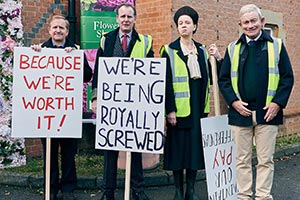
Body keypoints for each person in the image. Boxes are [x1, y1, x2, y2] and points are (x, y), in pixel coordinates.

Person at [218, 4, 294, 200]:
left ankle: (262, 196)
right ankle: (243, 196)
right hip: (240, 113)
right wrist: (233, 102)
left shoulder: (276, 45)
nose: (250, 25)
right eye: (246, 22)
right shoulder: (232, 48)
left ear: (261, 22)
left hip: (267, 112)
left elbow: (287, 77)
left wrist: (277, 103)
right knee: (241, 160)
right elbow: (224, 79)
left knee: (265, 160)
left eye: (254, 21)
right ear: (240, 24)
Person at [91, 3, 153, 200]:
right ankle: (107, 192)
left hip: (136, 104)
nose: (126, 20)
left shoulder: (145, 41)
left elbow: (152, 73)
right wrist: (95, 97)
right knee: (110, 150)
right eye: (122, 16)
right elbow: (98, 72)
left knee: (135, 148)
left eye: (129, 16)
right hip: (111, 103)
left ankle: (137, 191)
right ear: (117, 19)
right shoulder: (106, 40)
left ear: (135, 19)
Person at [160, 6, 222, 200]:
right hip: (178, 111)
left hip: (197, 110)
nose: (184, 26)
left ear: (195, 26)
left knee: (195, 151)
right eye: (180, 23)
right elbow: (165, 84)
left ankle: (191, 190)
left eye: (187, 22)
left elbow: (215, 78)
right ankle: (178, 190)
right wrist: (169, 110)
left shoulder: (203, 51)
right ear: (177, 27)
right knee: (178, 152)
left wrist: (218, 58)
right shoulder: (169, 50)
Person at [31, 14, 93, 200]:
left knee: (68, 151)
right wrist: (33, 54)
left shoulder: (74, 51)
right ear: (49, 30)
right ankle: (50, 187)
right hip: (46, 111)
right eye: (55, 27)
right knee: (49, 151)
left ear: (67, 31)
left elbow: (87, 76)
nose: (58, 31)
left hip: (68, 111)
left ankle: (68, 187)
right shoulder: (40, 51)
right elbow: (30, 77)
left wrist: (75, 59)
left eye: (62, 28)